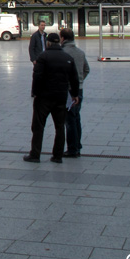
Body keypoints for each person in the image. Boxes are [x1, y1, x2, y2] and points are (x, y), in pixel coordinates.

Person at [23, 32, 79, 163]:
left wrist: (35, 93)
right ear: (59, 42)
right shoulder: (68, 57)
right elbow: (74, 79)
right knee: (60, 127)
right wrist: (75, 94)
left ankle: (35, 154)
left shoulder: (43, 57)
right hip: (61, 96)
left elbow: (37, 77)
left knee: (38, 126)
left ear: (48, 43)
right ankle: (57, 156)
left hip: (43, 97)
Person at [60, 27, 89, 157]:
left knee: (69, 120)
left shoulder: (63, 52)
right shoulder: (80, 52)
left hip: (68, 90)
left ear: (63, 38)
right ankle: (77, 145)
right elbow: (86, 69)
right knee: (77, 118)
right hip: (80, 89)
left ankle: (72, 149)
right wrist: (80, 80)